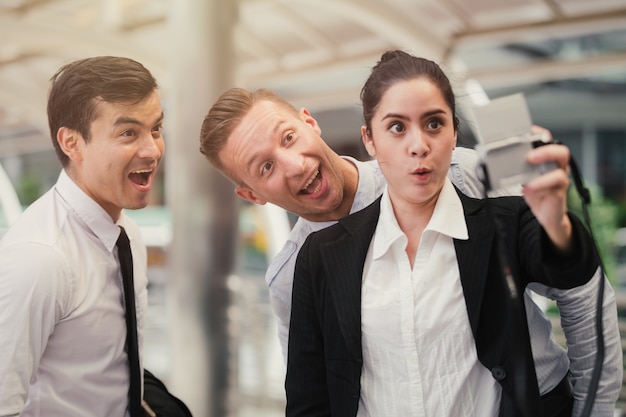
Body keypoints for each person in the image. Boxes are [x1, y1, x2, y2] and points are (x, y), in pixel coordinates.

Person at [199, 90, 621, 413]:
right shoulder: (292, 274)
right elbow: (317, 393)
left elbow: (580, 293)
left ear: (309, 122)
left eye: (289, 137)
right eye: (266, 167)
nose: (294, 164)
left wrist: (595, 411)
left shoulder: (461, 176)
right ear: (251, 195)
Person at [283, 49, 607, 417]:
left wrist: (555, 221)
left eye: (434, 124)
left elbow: (567, 268)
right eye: (397, 127)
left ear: (454, 133)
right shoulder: (320, 254)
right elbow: (308, 400)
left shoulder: (505, 221)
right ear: (369, 140)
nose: (419, 145)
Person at [0, 56, 164, 416]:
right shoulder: (41, 256)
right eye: (128, 133)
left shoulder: (128, 235)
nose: (152, 149)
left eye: (155, 129)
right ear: (72, 144)